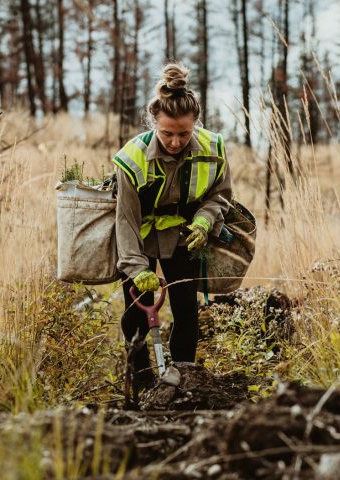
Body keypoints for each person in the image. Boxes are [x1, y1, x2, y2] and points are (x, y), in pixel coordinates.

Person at [111, 62, 232, 390]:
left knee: (186, 312)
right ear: (153, 124)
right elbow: (126, 221)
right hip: (141, 240)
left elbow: (221, 196)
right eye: (167, 133)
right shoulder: (131, 159)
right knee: (135, 315)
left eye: (184, 133)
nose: (176, 141)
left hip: (185, 237)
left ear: (195, 123)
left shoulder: (213, 149)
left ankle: (183, 380)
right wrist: (137, 270)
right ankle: (139, 384)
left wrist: (205, 221)